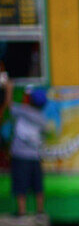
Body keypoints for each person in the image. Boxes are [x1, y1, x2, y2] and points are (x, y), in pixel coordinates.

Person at [1, 82, 48, 218]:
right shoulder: (42, 119)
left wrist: (9, 89)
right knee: (37, 185)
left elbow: (8, 105)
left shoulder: (22, 111)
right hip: (35, 156)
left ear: (30, 100)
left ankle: (22, 212)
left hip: (20, 156)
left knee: (20, 185)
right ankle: (40, 211)